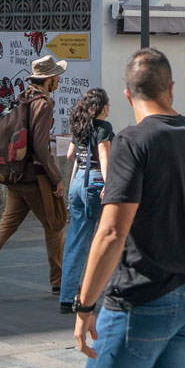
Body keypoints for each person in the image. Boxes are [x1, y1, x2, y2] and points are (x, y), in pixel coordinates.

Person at [75, 48, 185, 368]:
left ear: (128, 95)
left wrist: (84, 307)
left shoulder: (132, 141)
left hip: (140, 301)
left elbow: (113, 232)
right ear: (171, 88)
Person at [0, 53, 69, 302]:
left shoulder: (23, 97)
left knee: (5, 226)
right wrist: (57, 179)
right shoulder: (43, 103)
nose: (58, 81)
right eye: (56, 77)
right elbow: (41, 147)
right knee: (54, 225)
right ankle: (60, 283)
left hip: (15, 175)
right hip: (34, 178)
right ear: (49, 80)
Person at [59, 88, 114, 314]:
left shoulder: (80, 126)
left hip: (78, 182)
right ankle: (97, 292)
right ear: (100, 107)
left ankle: (66, 297)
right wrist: (110, 185)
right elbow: (104, 157)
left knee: (75, 240)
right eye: (106, 104)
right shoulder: (104, 128)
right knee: (108, 237)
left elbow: (71, 155)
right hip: (95, 183)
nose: (108, 108)